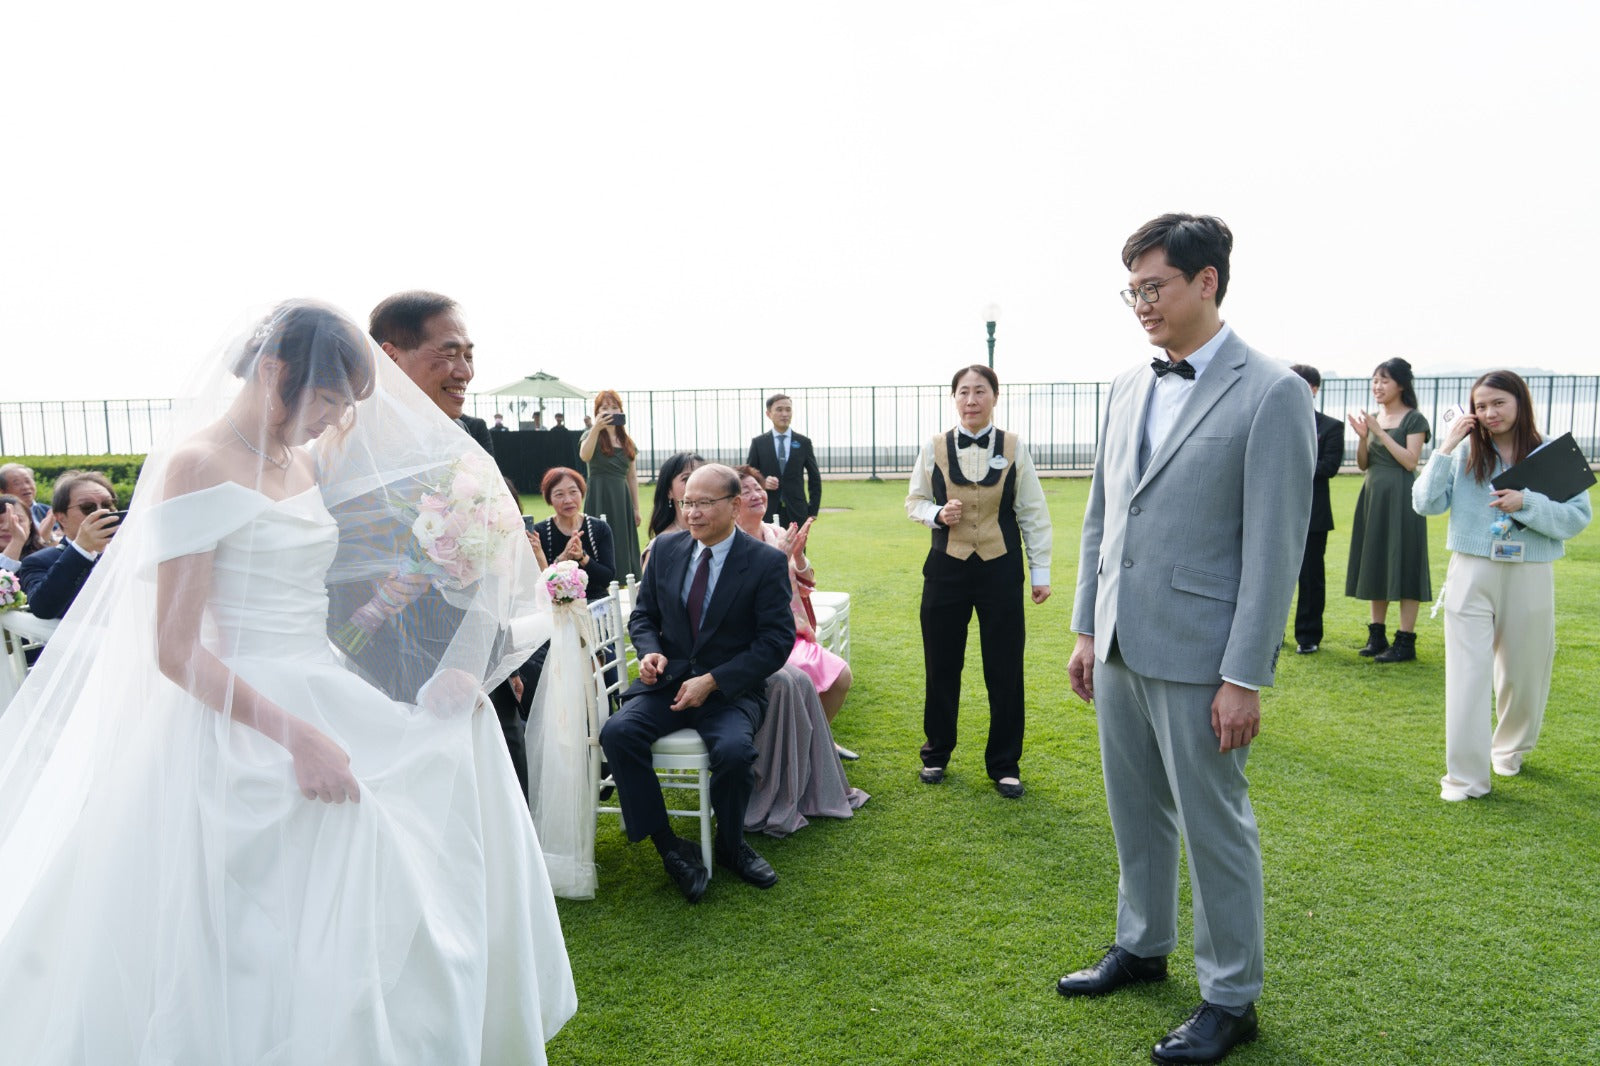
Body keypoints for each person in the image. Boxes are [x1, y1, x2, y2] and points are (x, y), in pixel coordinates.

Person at [0, 300, 575, 1062]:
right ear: (274, 371)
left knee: (451, 772)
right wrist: (298, 738)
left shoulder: (300, 462)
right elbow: (175, 649)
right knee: (311, 884)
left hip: (321, 679)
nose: (331, 420)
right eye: (328, 400)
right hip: (241, 712)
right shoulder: (198, 465)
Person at [1062, 214, 1313, 1065]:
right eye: (1132, 289)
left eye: (1154, 285)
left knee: (1214, 826)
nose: (1141, 303)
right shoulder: (1126, 385)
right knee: (1133, 809)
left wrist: (1244, 676)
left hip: (1204, 655)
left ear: (1207, 281)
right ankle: (1142, 945)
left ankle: (1231, 998)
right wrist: (1088, 628)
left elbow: (1274, 550)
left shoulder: (1273, 392)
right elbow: (1104, 516)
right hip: (1120, 642)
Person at [362, 290, 534, 798]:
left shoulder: (468, 441)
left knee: (502, 806)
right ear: (392, 357)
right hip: (390, 688)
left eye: (470, 355)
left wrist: (485, 657)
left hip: (478, 675)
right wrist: (415, 675)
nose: (465, 371)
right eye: (450, 353)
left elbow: (495, 557)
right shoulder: (349, 448)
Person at [598, 464, 795, 903]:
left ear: (735, 505)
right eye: (687, 502)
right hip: (667, 684)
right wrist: (650, 651)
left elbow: (775, 642)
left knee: (734, 753)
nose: (692, 513)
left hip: (730, 692)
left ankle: (731, 845)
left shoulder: (764, 562)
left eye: (704, 503)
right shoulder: (665, 549)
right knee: (618, 732)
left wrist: (714, 680)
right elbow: (643, 616)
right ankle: (670, 847)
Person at [1412, 370, 1592, 801]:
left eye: (1498, 403)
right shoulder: (1463, 452)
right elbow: (1424, 503)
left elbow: (1577, 518)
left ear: (1519, 402)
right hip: (1471, 571)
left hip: (1530, 572)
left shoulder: (1552, 451)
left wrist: (1526, 503)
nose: (1489, 413)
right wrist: (1445, 447)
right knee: (1466, 675)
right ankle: (1464, 778)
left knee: (1523, 673)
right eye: (1481, 405)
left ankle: (1510, 749)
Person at [905, 365, 1051, 799]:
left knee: (1005, 669)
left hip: (999, 568)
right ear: (954, 398)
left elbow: (1032, 511)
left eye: (980, 391)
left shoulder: (1014, 446)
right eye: (964, 392)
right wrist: (936, 514)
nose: (972, 400)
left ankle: (1005, 765)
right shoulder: (933, 446)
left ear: (994, 397)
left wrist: (1040, 572)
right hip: (945, 569)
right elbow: (914, 501)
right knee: (941, 665)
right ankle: (936, 754)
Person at [735, 464, 856, 757]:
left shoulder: (777, 532)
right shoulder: (732, 543)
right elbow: (742, 596)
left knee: (842, 676)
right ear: (732, 503)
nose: (756, 495)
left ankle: (817, 739)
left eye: (758, 488)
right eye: (746, 491)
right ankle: (807, 746)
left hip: (793, 631)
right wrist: (777, 558)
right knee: (798, 678)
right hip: (756, 636)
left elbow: (807, 581)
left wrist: (799, 557)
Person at [1345, 357, 1431, 662]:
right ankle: (1377, 635)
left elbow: (1410, 461)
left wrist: (1379, 433)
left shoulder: (1414, 419)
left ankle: (1405, 641)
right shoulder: (1374, 418)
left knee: (1406, 561)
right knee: (1377, 560)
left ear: (1401, 385)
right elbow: (1363, 464)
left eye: (1384, 380)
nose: (1377, 386)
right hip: (1373, 497)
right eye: (1374, 381)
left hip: (1402, 497)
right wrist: (1363, 438)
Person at [1289, 364, 1346, 654]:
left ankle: (1308, 636)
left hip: (1314, 513)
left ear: (1313, 389)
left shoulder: (1331, 427)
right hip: (1277, 513)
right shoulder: (1275, 422)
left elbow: (1329, 467)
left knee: (1311, 577)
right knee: (1268, 576)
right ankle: (1270, 633)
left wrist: (1291, 465)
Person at [16, 470, 119, 619]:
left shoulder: (132, 551)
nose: (102, 512)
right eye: (87, 507)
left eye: (108, 504)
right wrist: (82, 549)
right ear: (61, 518)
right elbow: (43, 608)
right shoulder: (38, 562)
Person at [579, 389, 643, 579]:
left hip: (621, 496)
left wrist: (636, 508)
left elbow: (632, 477)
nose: (610, 411)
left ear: (621, 411)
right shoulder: (590, 435)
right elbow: (584, 455)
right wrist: (596, 428)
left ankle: (624, 577)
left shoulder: (627, 441)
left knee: (622, 538)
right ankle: (599, 577)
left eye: (614, 407)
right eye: (604, 408)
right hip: (599, 493)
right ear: (597, 412)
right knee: (597, 536)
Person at [746, 393, 822, 526]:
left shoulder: (803, 442)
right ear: (768, 414)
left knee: (796, 541)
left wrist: (813, 511)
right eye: (779, 410)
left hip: (797, 511)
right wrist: (763, 482)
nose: (784, 414)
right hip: (766, 510)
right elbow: (749, 476)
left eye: (788, 410)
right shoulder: (758, 443)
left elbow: (814, 478)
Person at [643, 449, 705, 551]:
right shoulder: (660, 547)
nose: (697, 484)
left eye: (702, 477)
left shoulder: (723, 534)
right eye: (686, 479)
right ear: (669, 491)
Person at [0, 493, 48, 572]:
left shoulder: (46, 557)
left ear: (30, 523)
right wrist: (16, 542)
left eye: (17, 520)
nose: (7, 527)